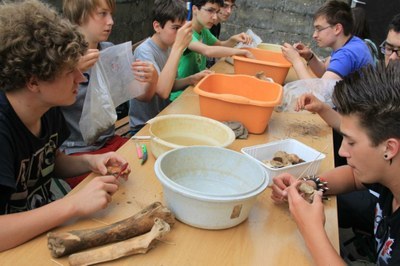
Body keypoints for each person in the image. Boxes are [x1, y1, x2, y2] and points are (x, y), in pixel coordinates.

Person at [0, 0, 130, 252]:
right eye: (70, 70)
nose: (80, 78)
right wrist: (73, 204)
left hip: (44, 229)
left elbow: (51, 160)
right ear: (33, 82)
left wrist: (90, 162)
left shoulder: (47, 108)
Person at [271, 61, 400, 265]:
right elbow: (353, 177)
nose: (341, 151)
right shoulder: (389, 171)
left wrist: (311, 230)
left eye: (351, 141)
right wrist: (310, 185)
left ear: (389, 148)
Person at [61, 0, 156, 188]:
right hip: (77, 153)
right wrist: (69, 71)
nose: (111, 21)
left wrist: (152, 80)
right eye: (103, 14)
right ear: (80, 16)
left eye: (111, 14)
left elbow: (142, 96)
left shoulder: (109, 51)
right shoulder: (62, 58)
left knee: (149, 173)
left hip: (110, 142)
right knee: (115, 192)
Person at [128, 0, 212, 134]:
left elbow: (170, 84)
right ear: (157, 26)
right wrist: (178, 47)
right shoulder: (144, 51)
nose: (180, 34)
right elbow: (163, 91)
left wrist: (191, 79)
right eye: (175, 28)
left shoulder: (168, 48)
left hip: (162, 117)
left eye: (182, 28)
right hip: (143, 127)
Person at [172, 0, 253, 101]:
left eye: (216, 12)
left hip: (195, 89)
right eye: (210, 11)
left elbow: (220, 45)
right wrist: (241, 51)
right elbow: (208, 51)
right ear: (195, 9)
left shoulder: (204, 30)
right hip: (179, 96)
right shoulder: (185, 32)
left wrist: (233, 39)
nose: (214, 17)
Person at [281, 0, 373, 80]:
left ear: (337, 29)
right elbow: (325, 73)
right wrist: (310, 56)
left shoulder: (347, 54)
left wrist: (296, 60)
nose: (314, 35)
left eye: (319, 29)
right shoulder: (352, 42)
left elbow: (319, 91)